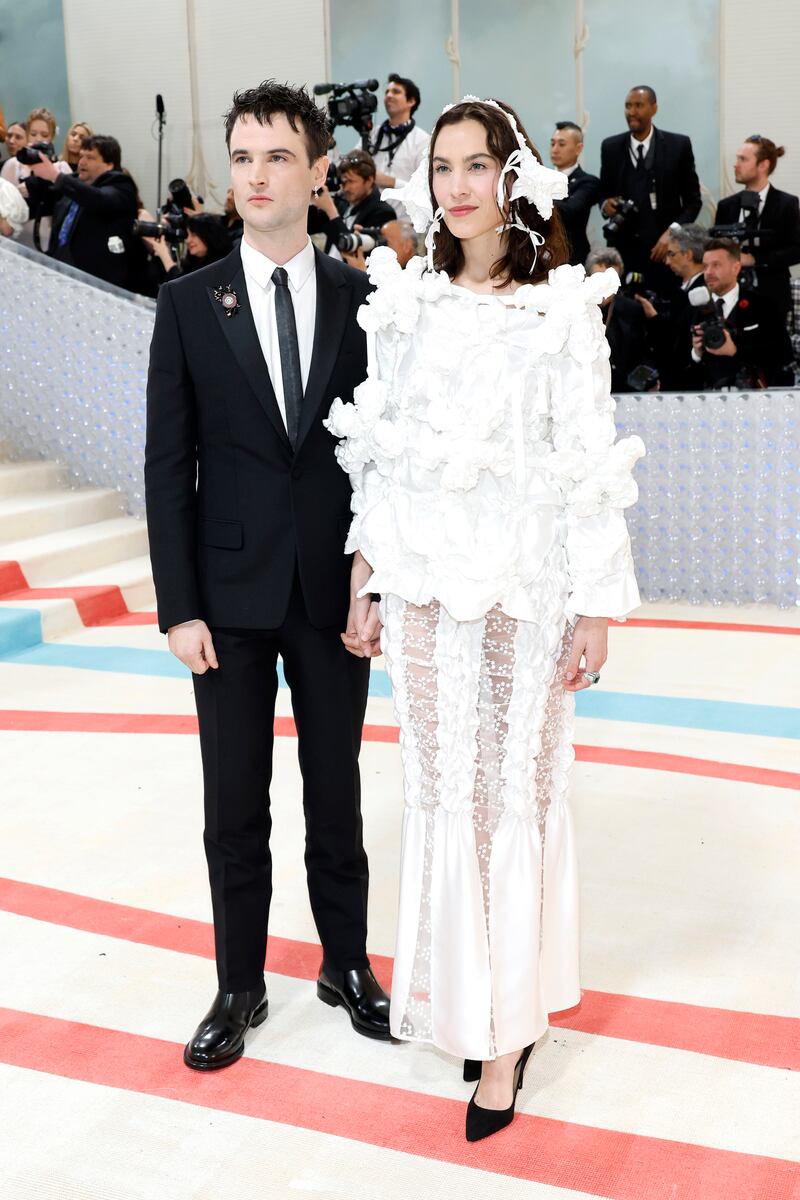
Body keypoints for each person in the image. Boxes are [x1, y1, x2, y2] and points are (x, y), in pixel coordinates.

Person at [327, 97, 643, 1141]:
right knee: (438, 795)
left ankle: (505, 1036)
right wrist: (363, 577)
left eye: (478, 166)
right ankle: (466, 1003)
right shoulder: (404, 306)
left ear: (515, 180)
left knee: (506, 801)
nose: (457, 186)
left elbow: (586, 464)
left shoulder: (558, 309)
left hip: (521, 590)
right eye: (445, 167)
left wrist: (595, 605)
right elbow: (377, 448)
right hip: (420, 595)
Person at [144, 78, 391, 1072]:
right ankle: (238, 983)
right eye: (241, 156)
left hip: (330, 593)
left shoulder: (366, 301)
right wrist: (177, 606)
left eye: (276, 156)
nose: (254, 175)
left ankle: (345, 964)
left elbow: (386, 457)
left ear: (318, 170)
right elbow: (168, 464)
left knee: (338, 793)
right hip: (227, 598)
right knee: (231, 804)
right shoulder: (187, 304)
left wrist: (373, 581)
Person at [599, 85, 701, 296]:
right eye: (628, 106)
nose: (632, 112)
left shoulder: (678, 146)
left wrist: (672, 233)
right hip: (622, 253)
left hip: (664, 256)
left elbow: (693, 201)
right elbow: (603, 192)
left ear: (654, 108)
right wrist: (605, 205)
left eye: (639, 105)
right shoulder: (610, 147)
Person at [31, 134, 138, 289]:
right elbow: (43, 197)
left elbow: (98, 199)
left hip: (97, 280)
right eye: (81, 156)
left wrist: (55, 176)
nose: (82, 162)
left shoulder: (121, 185)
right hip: (60, 269)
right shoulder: (73, 182)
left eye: (90, 157)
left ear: (109, 164)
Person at [688, 236, 794, 389]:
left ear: (736, 268)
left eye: (716, 265)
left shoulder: (762, 305)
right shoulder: (695, 309)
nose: (708, 272)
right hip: (708, 402)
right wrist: (696, 353)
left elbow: (783, 354)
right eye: (705, 266)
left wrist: (736, 350)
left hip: (757, 399)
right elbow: (679, 366)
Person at [714, 135, 800, 317]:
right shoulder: (726, 206)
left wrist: (755, 259)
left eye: (743, 159)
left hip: (772, 298)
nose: (735, 165)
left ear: (763, 165)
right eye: (737, 158)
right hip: (732, 299)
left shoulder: (786, 204)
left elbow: (796, 250)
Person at [2, 108, 71, 250]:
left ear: (52, 137)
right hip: (19, 242)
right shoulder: (13, 166)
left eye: (44, 135)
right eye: (33, 134)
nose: (38, 139)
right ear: (27, 135)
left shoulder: (62, 169)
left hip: (53, 241)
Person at [586, 248, 653, 391]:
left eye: (610, 281)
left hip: (622, 389)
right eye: (598, 279)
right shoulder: (573, 308)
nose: (603, 286)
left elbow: (641, 353)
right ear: (587, 277)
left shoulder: (631, 310)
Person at [366, 74, 430, 222]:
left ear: (411, 101)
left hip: (406, 225)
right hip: (371, 222)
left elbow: (424, 192)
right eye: (387, 92)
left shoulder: (422, 140)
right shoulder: (373, 134)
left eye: (396, 92)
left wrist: (391, 182)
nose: (388, 95)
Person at [310, 148, 397, 257]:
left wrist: (331, 210)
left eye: (351, 181)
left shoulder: (384, 213)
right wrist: (310, 197)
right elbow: (308, 226)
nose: (346, 188)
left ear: (369, 180)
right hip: (329, 271)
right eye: (344, 182)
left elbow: (356, 254)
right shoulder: (342, 202)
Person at [550, 120, 600, 266]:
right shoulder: (542, 178)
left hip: (573, 258)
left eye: (562, 144)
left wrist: (537, 198)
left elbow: (570, 211)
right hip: (542, 256)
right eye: (552, 143)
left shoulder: (588, 182)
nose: (555, 149)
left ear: (578, 148)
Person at [142, 212, 233, 286]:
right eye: (188, 235)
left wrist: (165, 255)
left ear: (208, 235)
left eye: (193, 235)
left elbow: (183, 288)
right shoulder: (195, 260)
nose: (188, 240)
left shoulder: (220, 265)